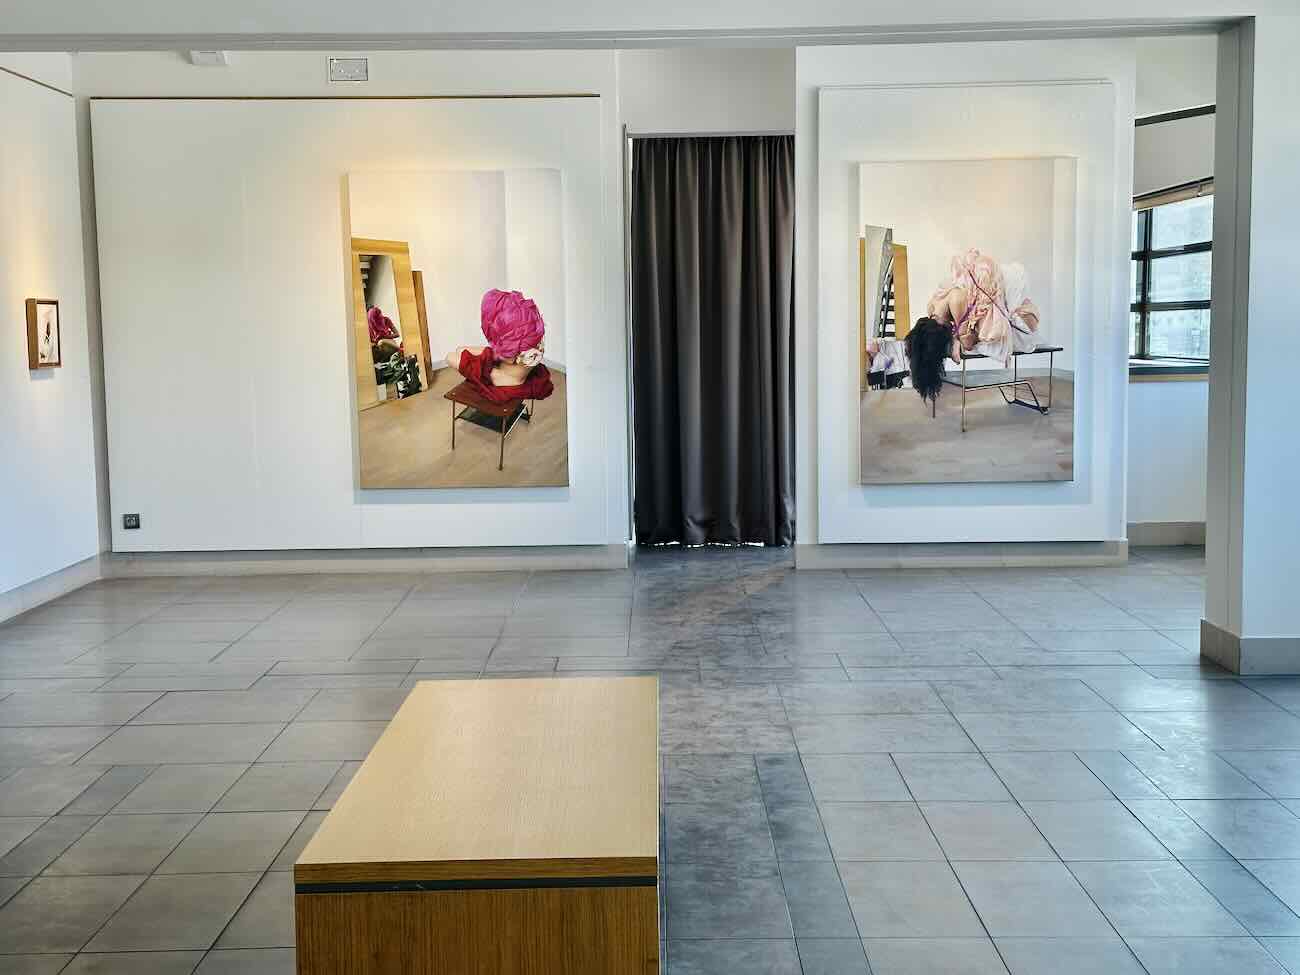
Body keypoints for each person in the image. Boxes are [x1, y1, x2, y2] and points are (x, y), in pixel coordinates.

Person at [925, 249, 1040, 366]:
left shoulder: (955, 301)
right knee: (991, 336)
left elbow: (967, 343)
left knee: (991, 341)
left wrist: (956, 341)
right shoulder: (932, 306)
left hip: (1006, 287)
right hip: (998, 282)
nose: (949, 328)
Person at [447, 289, 554, 404]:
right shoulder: (532, 335)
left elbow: (450, 357)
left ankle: (502, 355)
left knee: (451, 356)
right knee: (460, 350)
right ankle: (504, 352)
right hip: (517, 364)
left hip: (508, 375)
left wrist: (500, 351)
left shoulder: (511, 359)